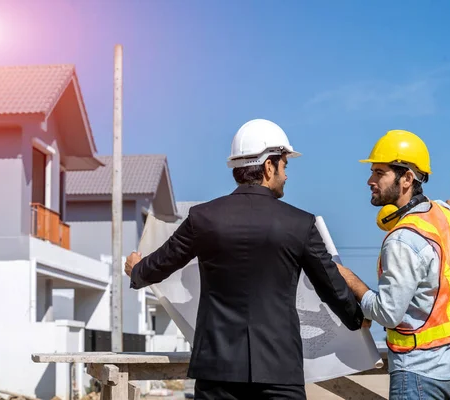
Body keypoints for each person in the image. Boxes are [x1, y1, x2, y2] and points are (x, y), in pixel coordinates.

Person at [124, 118, 364, 400]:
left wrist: (136, 269)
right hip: (279, 371)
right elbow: (331, 286)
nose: (286, 175)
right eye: (285, 165)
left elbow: (159, 265)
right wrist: (357, 319)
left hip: (216, 372)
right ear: (269, 166)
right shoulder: (300, 223)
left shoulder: (204, 218)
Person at [336, 129, 450, 400]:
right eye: (372, 171)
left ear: (407, 178)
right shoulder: (444, 215)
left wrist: (350, 280)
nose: (370, 180)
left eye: (379, 173)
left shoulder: (402, 240)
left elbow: (387, 314)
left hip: (417, 375)